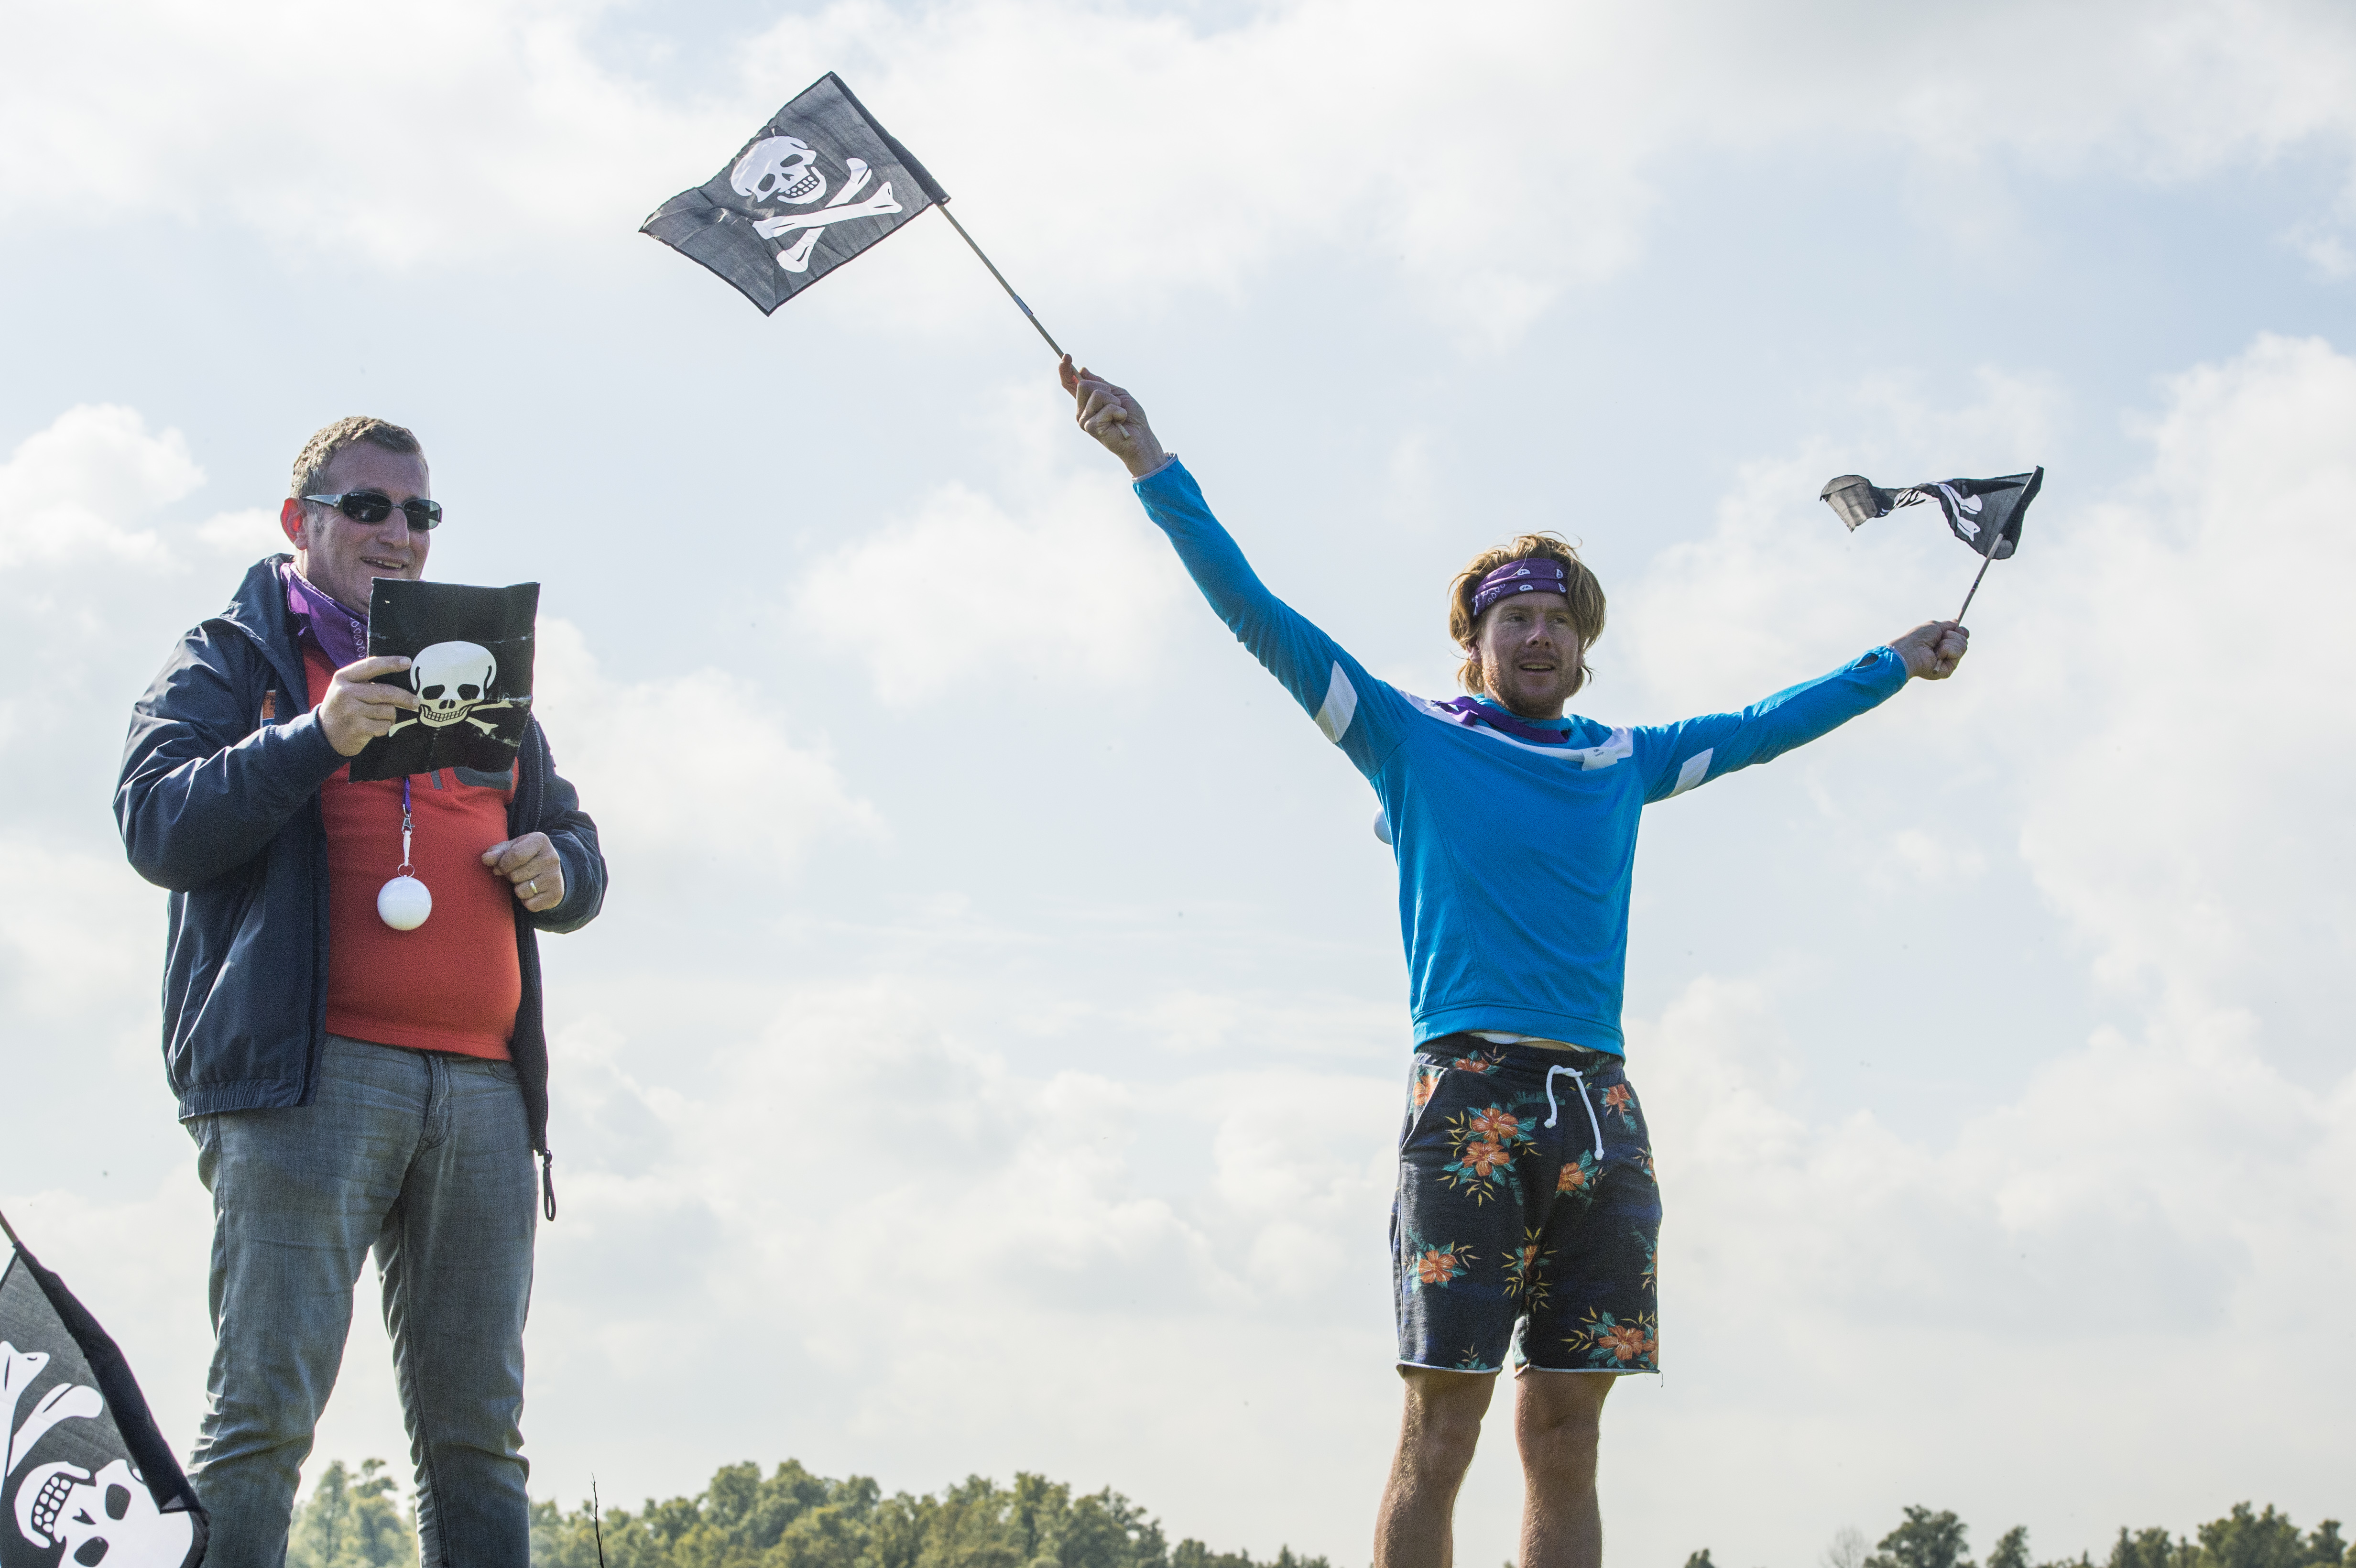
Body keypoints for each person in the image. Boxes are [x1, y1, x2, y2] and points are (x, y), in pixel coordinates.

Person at [1057, 359, 1967, 1568]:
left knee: (1568, 1432)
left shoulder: (1625, 758)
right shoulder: (1406, 738)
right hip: (1469, 1093)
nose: (1538, 635)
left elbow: (1762, 729)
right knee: (1443, 1423)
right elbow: (1254, 611)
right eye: (1514, 619)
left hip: (1600, 1108)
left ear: (1583, 646)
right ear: (1474, 642)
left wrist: (1893, 661)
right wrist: (1149, 464)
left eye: (1558, 621)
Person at [115, 415, 607, 1567]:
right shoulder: (231, 656)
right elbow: (157, 823)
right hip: (306, 1081)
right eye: (370, 506)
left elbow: (574, 837)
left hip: (484, 1091)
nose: (400, 532)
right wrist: (316, 735)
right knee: (262, 1418)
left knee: (479, 1439)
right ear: (302, 519)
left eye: (420, 512)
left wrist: (564, 869)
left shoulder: (476, 661)